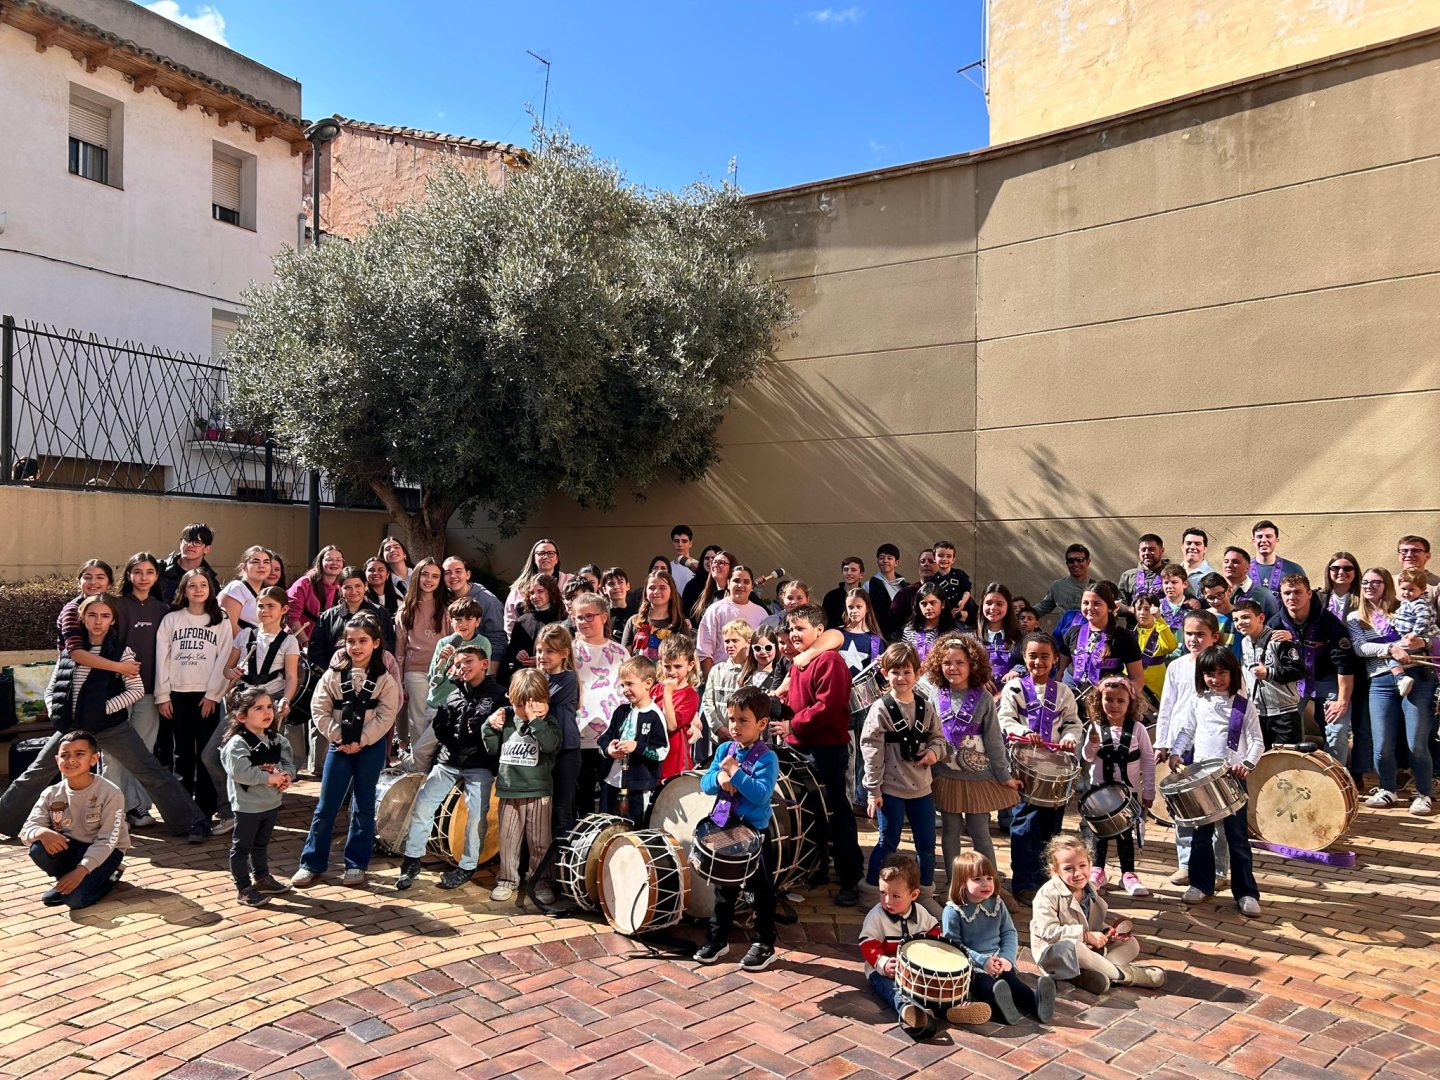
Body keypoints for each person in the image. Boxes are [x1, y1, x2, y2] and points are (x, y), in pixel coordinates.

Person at [0, 596, 209, 843]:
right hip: (72, 728)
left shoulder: (123, 652)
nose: (98, 621)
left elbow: (136, 690)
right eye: (92, 615)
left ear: (113, 620)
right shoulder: (70, 652)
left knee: (150, 771)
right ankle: (4, 821)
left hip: (111, 727)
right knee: (35, 773)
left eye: (105, 616)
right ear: (83, 618)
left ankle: (192, 822)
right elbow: (53, 687)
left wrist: (104, 709)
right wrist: (57, 709)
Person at [293, 614, 400, 888]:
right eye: (350, 641)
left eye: (363, 641)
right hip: (338, 747)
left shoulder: (385, 679)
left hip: (369, 748)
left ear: (376, 643)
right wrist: (339, 736)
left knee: (363, 806)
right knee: (326, 805)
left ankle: (356, 863)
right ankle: (311, 862)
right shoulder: (333, 675)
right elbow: (320, 708)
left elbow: (387, 714)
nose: (356, 647)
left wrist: (362, 740)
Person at [396, 645, 506, 891]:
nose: (462, 668)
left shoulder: (500, 695)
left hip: (480, 765)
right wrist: (441, 722)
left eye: (468, 662)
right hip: (448, 762)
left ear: (484, 664)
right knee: (423, 803)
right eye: (458, 664)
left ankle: (467, 866)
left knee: (477, 813)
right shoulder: (452, 694)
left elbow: (500, 735)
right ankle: (412, 860)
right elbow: (442, 733)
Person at [919, 635, 1019, 903]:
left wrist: (1004, 775)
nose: (953, 668)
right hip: (945, 774)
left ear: (972, 664)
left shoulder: (984, 698)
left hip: (977, 777)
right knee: (950, 830)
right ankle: (954, 885)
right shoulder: (934, 694)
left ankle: (991, 885)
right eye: (947, 663)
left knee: (980, 830)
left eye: (960, 662)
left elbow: (995, 741)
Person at [692, 685, 782, 971]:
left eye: (743, 720)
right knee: (723, 889)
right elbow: (704, 784)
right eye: (731, 719)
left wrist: (736, 774)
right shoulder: (723, 749)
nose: (735, 726)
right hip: (724, 829)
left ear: (762, 724)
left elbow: (760, 794)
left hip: (754, 834)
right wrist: (719, 777)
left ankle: (764, 942)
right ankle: (718, 939)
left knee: (760, 891)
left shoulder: (767, 757)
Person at [1168, 647, 1264, 915]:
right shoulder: (1199, 701)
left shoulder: (1244, 705)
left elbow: (1256, 740)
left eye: (1222, 673)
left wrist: (1246, 763)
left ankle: (1246, 892)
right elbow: (1186, 731)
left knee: (1237, 838)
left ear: (1233, 673)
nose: (1216, 679)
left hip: (1233, 780)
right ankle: (1201, 884)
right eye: (1210, 673)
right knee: (1201, 835)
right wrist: (1176, 752)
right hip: (1202, 779)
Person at [781, 604, 862, 906]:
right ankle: (816, 868)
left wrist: (793, 723)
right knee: (807, 813)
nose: (794, 634)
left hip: (825, 749)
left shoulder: (829, 661)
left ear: (818, 631)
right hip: (797, 747)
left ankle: (850, 876)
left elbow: (827, 708)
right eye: (791, 629)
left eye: (800, 628)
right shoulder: (797, 663)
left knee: (836, 812)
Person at [859, 853, 990, 1038]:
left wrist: (934, 952)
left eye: (895, 895)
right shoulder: (876, 916)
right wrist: (882, 963)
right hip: (885, 972)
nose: (887, 900)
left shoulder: (920, 913)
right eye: (883, 893)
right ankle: (908, 1009)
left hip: (917, 974)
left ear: (914, 895)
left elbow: (933, 932)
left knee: (936, 986)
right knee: (892, 990)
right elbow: (867, 943)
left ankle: (953, 1008)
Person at [997, 631, 1081, 904]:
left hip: (1054, 771)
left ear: (1055, 658)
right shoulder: (1015, 689)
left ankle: (1047, 880)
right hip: (1024, 768)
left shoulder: (1064, 692)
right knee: (1023, 826)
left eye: (1045, 656)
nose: (1038, 662)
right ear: (1024, 657)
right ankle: (1023, 881)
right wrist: (1023, 731)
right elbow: (1005, 719)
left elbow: (1072, 723)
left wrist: (1069, 738)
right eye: (1032, 656)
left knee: (1050, 829)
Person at [861, 643, 946, 908]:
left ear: (917, 673)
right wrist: (873, 791)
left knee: (927, 844)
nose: (901, 677)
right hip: (891, 789)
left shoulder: (926, 707)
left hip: (921, 788)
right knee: (888, 841)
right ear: (886, 673)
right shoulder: (880, 709)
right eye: (895, 672)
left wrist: (934, 753)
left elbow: (939, 738)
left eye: (907, 671)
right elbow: (871, 750)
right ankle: (873, 890)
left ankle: (925, 893)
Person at [1030, 834, 1166, 994]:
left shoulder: (1090, 890)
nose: (1077, 873)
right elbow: (1049, 932)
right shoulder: (1047, 895)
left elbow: (1093, 923)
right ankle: (1127, 975)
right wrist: (1086, 936)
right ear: (1055, 871)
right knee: (1074, 947)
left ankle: (1097, 972)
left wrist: (1108, 932)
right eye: (1068, 868)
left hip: (1090, 950)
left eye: (1082, 865)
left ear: (1090, 864)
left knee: (1132, 944)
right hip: (1056, 954)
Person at [1154, 610, 1229, 887]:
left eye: (1200, 634)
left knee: (1217, 810)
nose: (1194, 639)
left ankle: (1219, 869)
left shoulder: (1225, 667)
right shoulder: (1176, 666)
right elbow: (1167, 707)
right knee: (1184, 808)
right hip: (1181, 745)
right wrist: (1163, 742)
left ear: (1214, 636)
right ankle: (1186, 864)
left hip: (1213, 746)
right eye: (1189, 634)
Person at [154, 570, 233, 833]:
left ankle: (207, 810)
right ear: (184, 590)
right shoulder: (171, 620)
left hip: (206, 697)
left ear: (210, 589)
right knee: (181, 755)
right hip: (177, 695)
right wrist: (162, 695)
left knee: (205, 755)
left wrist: (213, 694)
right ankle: (186, 813)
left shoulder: (220, 620)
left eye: (203, 585)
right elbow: (162, 659)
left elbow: (224, 659)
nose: (198, 590)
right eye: (192, 586)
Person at [1350, 569, 1434, 815]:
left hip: (1418, 676)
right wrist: (1391, 648)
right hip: (1380, 681)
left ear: (1387, 585)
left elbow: (1431, 634)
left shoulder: (1406, 605)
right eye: (1365, 582)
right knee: (1382, 742)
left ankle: (1423, 793)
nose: (1369, 586)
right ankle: (1387, 789)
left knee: (1416, 741)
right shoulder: (1357, 616)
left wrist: (1425, 643)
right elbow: (1360, 647)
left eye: (1376, 582)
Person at [18, 731, 129, 910]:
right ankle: (67, 882)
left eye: (79, 754)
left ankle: (111, 876)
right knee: (38, 847)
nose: (70, 760)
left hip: (106, 851)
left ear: (94, 759)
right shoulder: (51, 793)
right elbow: (26, 831)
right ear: (57, 760)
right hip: (73, 846)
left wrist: (81, 870)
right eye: (64, 755)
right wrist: (42, 832)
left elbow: (108, 840)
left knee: (75, 901)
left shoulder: (110, 793)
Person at [942, 852, 1056, 1024]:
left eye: (989, 878)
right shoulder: (953, 911)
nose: (986, 883)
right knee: (988, 987)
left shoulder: (997, 903)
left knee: (1015, 984)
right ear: (962, 882)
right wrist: (982, 962)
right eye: (977, 879)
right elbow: (954, 946)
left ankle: (1037, 1005)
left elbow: (1009, 932)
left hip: (998, 959)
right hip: (973, 967)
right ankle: (1003, 1009)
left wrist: (1007, 958)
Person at [482, 669, 561, 903]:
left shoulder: (549, 722)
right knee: (508, 839)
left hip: (538, 794)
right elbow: (492, 748)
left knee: (539, 842)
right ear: (511, 699)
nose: (526, 712)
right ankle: (507, 880)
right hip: (508, 791)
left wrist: (537, 721)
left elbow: (550, 745)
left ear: (544, 700)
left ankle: (541, 882)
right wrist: (489, 725)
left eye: (533, 705)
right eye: (520, 706)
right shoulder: (506, 719)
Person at [1270, 573, 1358, 767]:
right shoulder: (1274, 625)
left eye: (1298, 592)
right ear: (1281, 596)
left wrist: (1342, 701)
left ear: (1309, 594)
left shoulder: (1328, 622)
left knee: (1338, 730)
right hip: (1293, 683)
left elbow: (1344, 662)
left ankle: (1334, 776)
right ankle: (1295, 773)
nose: (1292, 597)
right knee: (1285, 728)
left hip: (1328, 681)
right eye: (1287, 593)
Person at [219, 686, 296, 907]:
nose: (267, 712)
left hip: (271, 803)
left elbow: (288, 762)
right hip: (247, 806)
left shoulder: (276, 739)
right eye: (258, 708)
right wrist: (268, 778)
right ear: (242, 716)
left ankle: (262, 877)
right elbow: (239, 772)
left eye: (270, 707)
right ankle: (243, 888)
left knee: (261, 844)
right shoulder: (238, 744)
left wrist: (287, 776)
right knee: (242, 848)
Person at [1078, 677, 1155, 896]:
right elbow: (1088, 758)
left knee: (1125, 833)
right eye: (1108, 700)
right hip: (1099, 791)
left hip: (1127, 792)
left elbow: (1148, 760)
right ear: (1098, 701)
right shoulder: (1095, 726)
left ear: (1130, 703)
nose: (1114, 705)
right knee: (1098, 834)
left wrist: (1148, 790)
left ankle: (1128, 874)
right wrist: (1092, 743)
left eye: (1120, 701)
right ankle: (1097, 870)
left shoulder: (1138, 729)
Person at [112, 552, 170, 829]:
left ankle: (138, 808)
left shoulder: (164, 609)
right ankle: (111, 809)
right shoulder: (116, 605)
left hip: (149, 690)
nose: (143, 577)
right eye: (138, 572)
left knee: (143, 750)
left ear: (157, 576)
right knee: (113, 752)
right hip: (116, 690)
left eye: (149, 572)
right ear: (128, 575)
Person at [572, 592, 629, 818]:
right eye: (579, 617)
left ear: (604, 617)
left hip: (610, 739)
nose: (584, 622)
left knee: (608, 800)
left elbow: (627, 693)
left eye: (589, 616)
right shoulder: (569, 651)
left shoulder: (619, 652)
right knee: (581, 798)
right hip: (577, 737)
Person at [598, 656, 669, 824]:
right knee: (606, 827)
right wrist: (609, 749)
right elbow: (604, 738)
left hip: (638, 786)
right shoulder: (621, 711)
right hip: (611, 781)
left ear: (648, 683)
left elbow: (661, 751)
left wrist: (637, 746)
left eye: (630, 684)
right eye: (622, 684)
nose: (625, 689)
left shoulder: (655, 716)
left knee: (634, 829)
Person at [1234, 599, 1305, 748]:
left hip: (1284, 714)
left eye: (1246, 617)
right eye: (1236, 619)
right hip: (1258, 714)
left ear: (1260, 618)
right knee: (1262, 762)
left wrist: (1269, 672)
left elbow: (1297, 671)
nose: (1240, 622)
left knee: (1286, 762)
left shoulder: (1279, 640)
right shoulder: (1244, 642)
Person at [533, 625, 581, 842]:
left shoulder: (569, 678)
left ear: (565, 653)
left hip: (566, 750)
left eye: (549, 651)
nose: (543, 656)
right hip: (543, 748)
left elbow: (541, 704)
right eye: (539, 651)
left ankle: (563, 862)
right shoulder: (538, 678)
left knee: (563, 809)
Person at [394, 558, 448, 749]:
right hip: (414, 671)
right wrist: (399, 679)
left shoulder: (446, 608)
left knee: (438, 717)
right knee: (416, 719)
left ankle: (436, 759)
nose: (429, 580)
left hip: (443, 673)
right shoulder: (405, 610)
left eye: (435, 576)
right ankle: (419, 763)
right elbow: (400, 648)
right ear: (416, 576)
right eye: (425, 574)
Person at [1058, 582, 1144, 698]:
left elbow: (1137, 679)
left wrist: (1121, 702)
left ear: (1109, 608)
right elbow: (1060, 671)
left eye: (1097, 603)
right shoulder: (1072, 632)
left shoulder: (1124, 637)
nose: (1090, 608)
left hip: (1106, 702)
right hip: (1071, 699)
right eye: (1085, 603)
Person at [695, 563, 769, 674]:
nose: (741, 585)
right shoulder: (715, 609)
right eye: (736, 581)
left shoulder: (761, 613)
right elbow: (705, 649)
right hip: (721, 676)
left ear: (751, 586)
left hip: (753, 677)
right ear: (728, 583)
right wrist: (710, 679)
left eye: (746, 582)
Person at [426, 597, 490, 712]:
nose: (462, 624)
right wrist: (441, 661)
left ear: (477, 622)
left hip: (465, 706)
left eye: (468, 619)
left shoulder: (483, 643)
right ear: (450, 621)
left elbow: (482, 676)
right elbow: (433, 680)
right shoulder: (444, 643)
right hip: (439, 704)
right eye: (458, 619)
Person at [441, 556, 509, 662]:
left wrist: (490, 673)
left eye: (458, 571)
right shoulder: (442, 599)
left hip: (479, 665)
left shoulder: (487, 600)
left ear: (468, 575)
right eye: (447, 573)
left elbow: (497, 639)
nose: (453, 576)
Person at [702, 620, 756, 747]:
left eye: (735, 641)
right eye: (727, 641)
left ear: (748, 642)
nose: (730, 645)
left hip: (747, 739)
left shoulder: (754, 672)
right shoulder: (717, 670)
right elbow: (708, 701)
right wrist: (718, 727)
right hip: (720, 738)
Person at [503, 539, 572, 636]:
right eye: (541, 553)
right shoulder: (519, 588)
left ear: (557, 559)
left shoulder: (569, 581)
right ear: (533, 558)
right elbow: (510, 622)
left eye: (551, 553)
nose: (545, 557)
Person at [620, 569, 692, 661]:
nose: (656, 591)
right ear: (645, 592)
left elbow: (687, 658)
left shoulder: (679, 624)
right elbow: (624, 658)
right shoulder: (633, 621)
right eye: (652, 588)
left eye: (662, 588)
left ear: (671, 593)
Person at [501, 574, 564, 677]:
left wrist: (541, 659)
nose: (535, 596)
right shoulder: (523, 621)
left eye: (540, 591)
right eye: (531, 593)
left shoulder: (561, 618)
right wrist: (519, 654)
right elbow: (512, 649)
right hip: (525, 676)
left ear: (551, 592)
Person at [657, 634, 702, 776]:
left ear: (690, 666)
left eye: (677, 666)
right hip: (653, 757)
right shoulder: (654, 689)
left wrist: (667, 693)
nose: (671, 672)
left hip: (674, 763)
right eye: (667, 666)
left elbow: (671, 726)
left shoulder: (690, 695)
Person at [287, 545, 345, 650]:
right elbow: (292, 618)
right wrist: (306, 644)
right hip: (296, 646)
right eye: (329, 559)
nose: (334, 563)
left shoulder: (341, 588)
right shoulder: (304, 583)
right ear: (320, 562)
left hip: (324, 647)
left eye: (339, 560)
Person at [1390, 568, 1436, 696]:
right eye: (1404, 589)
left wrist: (1414, 634)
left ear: (1422, 589)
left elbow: (1423, 619)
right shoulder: (1407, 602)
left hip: (1419, 637)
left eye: (1411, 589)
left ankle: (1401, 678)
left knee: (1392, 652)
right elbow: (1401, 617)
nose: (1406, 592)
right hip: (1409, 636)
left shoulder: (1419, 603)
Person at [157, 523, 219, 604]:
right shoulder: (158, 569)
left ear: (207, 549)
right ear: (180, 543)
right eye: (187, 539)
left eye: (197, 542)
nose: (189, 545)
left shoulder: (210, 582)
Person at [1133, 592, 1177, 705]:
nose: (1142, 613)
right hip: (1133, 688)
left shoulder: (1161, 631)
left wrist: (1159, 618)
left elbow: (1171, 646)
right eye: (1139, 608)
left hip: (1156, 691)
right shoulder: (1129, 634)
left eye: (1147, 609)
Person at [977, 583, 1024, 687]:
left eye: (999, 604)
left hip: (1012, 695)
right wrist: (978, 678)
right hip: (978, 695)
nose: (993, 608)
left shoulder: (1022, 636)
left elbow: (1033, 662)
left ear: (1008, 607)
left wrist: (1017, 671)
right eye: (988, 603)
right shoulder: (971, 637)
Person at [902, 583, 955, 668]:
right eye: (924, 604)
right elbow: (903, 658)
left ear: (943, 604)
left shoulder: (952, 633)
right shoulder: (909, 630)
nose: (928, 608)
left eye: (933, 603)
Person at [1117, 534, 1167, 623]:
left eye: (1151, 549)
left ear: (1161, 551)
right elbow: (1118, 605)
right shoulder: (1128, 576)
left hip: (1163, 629)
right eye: (1143, 550)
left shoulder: (1171, 575)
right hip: (1135, 631)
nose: (1147, 553)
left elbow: (1184, 598)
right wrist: (1135, 610)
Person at [1222, 547, 1281, 621]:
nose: (1229, 565)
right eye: (1226, 561)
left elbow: (1274, 625)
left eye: (1235, 562)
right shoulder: (1215, 592)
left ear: (1247, 568)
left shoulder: (1264, 595)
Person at [888, 548, 938, 633]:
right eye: (922, 561)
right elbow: (893, 621)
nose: (926, 564)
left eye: (931, 561)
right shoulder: (906, 593)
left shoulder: (950, 591)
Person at [928, 540, 975, 629]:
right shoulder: (932, 581)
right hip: (944, 616)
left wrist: (962, 603)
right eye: (940, 556)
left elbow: (967, 591)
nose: (944, 559)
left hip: (963, 611)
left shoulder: (959, 574)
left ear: (953, 559)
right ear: (934, 558)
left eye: (948, 556)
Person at [1250, 520, 1305, 592]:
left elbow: (1305, 599)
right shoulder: (1242, 569)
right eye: (1259, 537)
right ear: (1253, 541)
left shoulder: (1294, 569)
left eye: (1268, 536)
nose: (1263, 540)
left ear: (1277, 541)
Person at [869, 543, 907, 639]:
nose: (885, 561)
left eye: (889, 558)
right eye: (882, 558)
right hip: (878, 635)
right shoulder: (869, 585)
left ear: (896, 562)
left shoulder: (904, 586)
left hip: (902, 635)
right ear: (877, 561)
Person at [822, 557, 866, 633]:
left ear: (861, 575)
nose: (849, 573)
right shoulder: (831, 596)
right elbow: (824, 621)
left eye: (853, 570)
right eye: (846, 569)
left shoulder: (866, 597)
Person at [681, 545, 725, 616]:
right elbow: (684, 611)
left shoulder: (726, 584)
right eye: (707, 558)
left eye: (713, 558)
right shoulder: (692, 585)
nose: (710, 561)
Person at [601, 568, 637, 638]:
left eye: (620, 582)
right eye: (611, 584)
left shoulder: (636, 616)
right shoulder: (601, 616)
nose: (616, 587)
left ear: (628, 586)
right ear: (604, 590)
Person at [1179, 527, 1216, 596]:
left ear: (1205, 549)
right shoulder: (1172, 572)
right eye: (1188, 543)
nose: (1192, 547)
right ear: (1182, 547)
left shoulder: (1212, 576)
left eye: (1198, 544)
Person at [669, 524, 698, 593]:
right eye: (676, 541)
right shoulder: (668, 567)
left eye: (684, 541)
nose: (680, 545)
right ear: (672, 543)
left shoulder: (698, 566)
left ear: (690, 544)